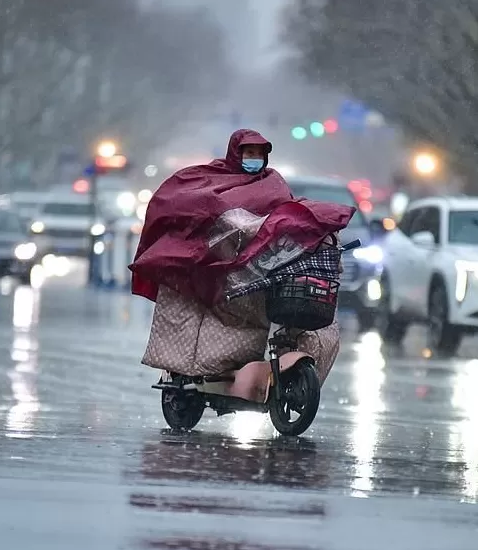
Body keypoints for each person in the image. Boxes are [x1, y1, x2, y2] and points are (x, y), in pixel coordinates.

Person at [130, 129, 355, 394]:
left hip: (257, 268)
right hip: (222, 263)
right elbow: (195, 207)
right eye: (249, 153)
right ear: (237, 154)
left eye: (259, 154)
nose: (254, 159)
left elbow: (283, 213)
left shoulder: (274, 182)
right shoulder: (211, 178)